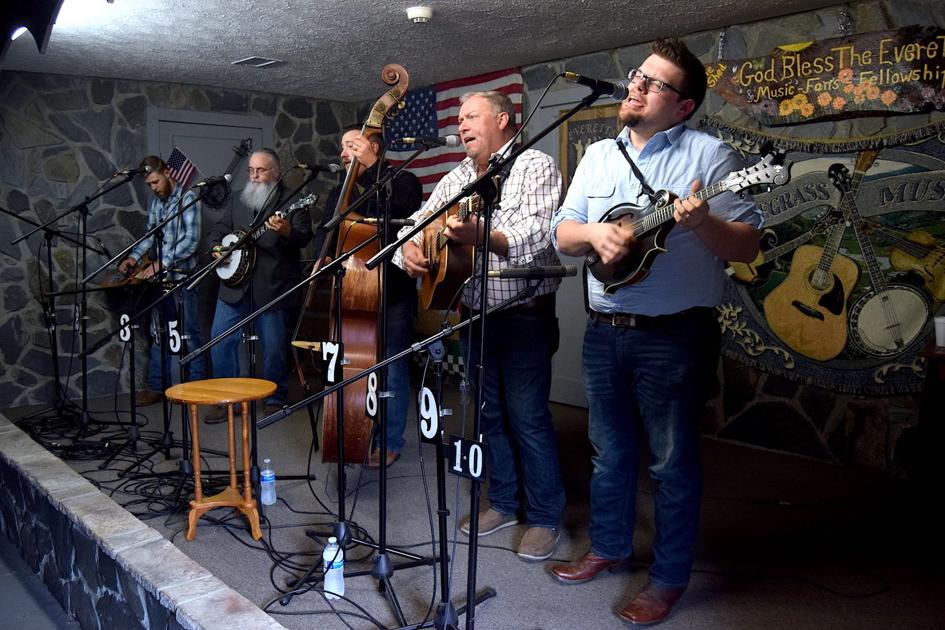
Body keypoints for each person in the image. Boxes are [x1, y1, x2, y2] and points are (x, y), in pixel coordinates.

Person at [549, 38, 763, 625]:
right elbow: (562, 233)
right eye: (638, 76)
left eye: (654, 83)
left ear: (684, 106)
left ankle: (668, 578)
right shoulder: (598, 156)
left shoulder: (710, 157)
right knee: (608, 453)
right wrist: (594, 235)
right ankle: (610, 547)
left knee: (671, 463)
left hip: (674, 337)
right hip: (603, 331)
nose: (636, 86)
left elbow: (748, 245)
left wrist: (704, 220)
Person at [395, 91, 566, 561]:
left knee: (527, 416)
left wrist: (483, 237)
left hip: (525, 316)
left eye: (471, 116)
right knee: (489, 413)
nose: (461, 125)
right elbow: (416, 223)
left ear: (503, 119)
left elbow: (536, 235)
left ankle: (546, 515)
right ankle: (506, 501)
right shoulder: (458, 177)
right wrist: (406, 249)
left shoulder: (534, 166)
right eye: (458, 119)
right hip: (474, 317)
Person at [314, 127, 423, 467]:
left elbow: (398, 212)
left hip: (392, 291)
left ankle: (390, 441)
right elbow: (329, 232)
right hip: (351, 290)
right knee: (353, 365)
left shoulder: (404, 181)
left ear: (372, 148)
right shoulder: (340, 193)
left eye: (351, 146)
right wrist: (324, 256)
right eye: (342, 147)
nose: (343, 154)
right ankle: (354, 432)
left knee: (392, 365)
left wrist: (373, 167)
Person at [204, 148, 312, 421]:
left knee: (273, 346)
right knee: (220, 341)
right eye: (251, 170)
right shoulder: (239, 201)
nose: (253, 175)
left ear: (275, 171)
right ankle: (228, 398)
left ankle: (275, 396)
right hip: (234, 286)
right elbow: (218, 229)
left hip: (272, 287)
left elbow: (304, 237)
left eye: (260, 170)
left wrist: (286, 230)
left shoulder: (294, 200)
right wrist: (216, 247)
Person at [119, 155, 207, 404]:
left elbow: (191, 241)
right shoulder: (158, 202)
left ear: (168, 173)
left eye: (155, 182)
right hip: (159, 281)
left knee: (188, 333)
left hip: (183, 279)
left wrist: (162, 262)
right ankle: (158, 386)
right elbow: (151, 233)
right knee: (159, 332)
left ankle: (198, 387)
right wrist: (134, 257)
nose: (153, 188)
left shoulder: (188, 198)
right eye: (149, 185)